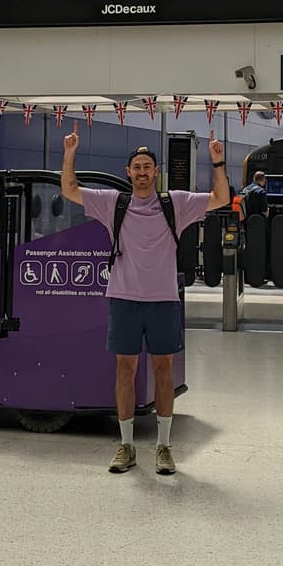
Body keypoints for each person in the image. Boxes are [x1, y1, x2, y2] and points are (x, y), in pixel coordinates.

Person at [61, 127, 229, 475]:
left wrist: (217, 161)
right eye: (136, 167)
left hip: (162, 301)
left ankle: (164, 447)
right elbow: (70, 190)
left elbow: (221, 197)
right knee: (125, 371)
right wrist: (69, 153)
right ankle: (126, 446)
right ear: (128, 172)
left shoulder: (176, 204)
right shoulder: (113, 203)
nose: (141, 172)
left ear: (156, 172)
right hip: (123, 300)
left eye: (147, 167)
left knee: (163, 372)